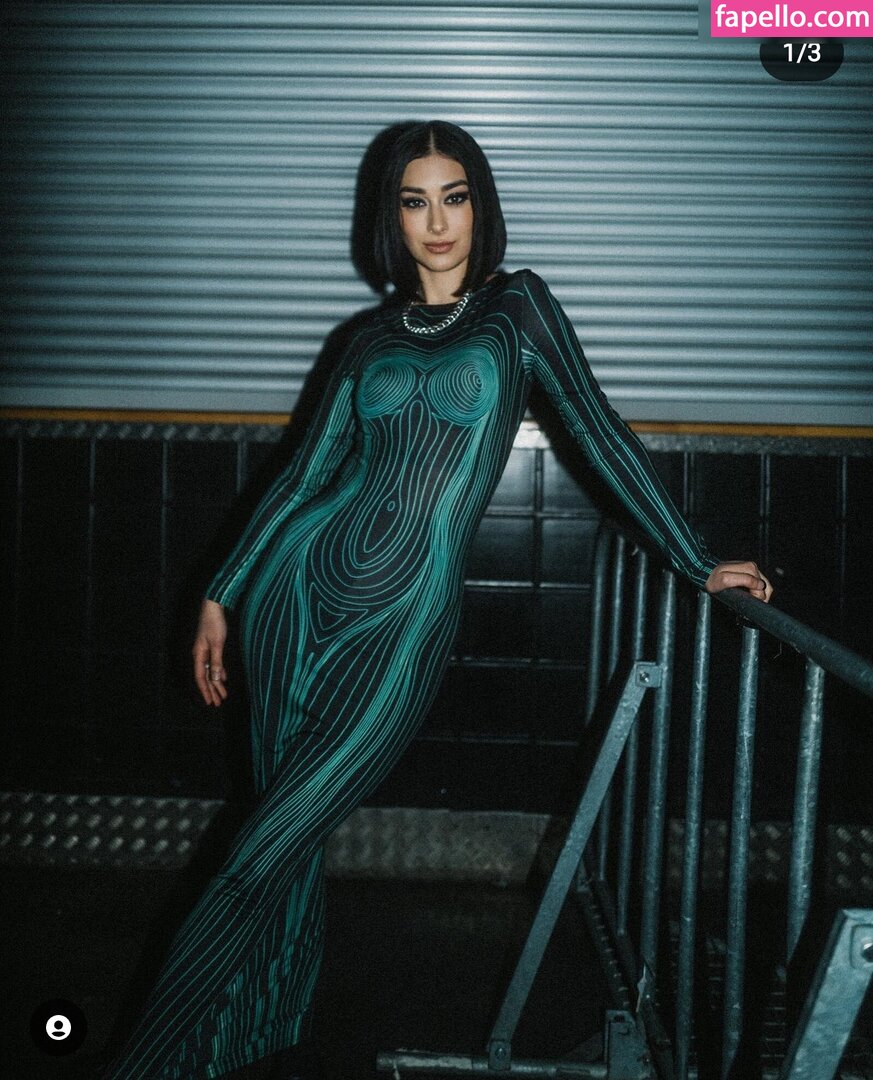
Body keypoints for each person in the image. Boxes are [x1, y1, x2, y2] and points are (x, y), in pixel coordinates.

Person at [102, 121, 773, 1080]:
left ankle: (140, 1064)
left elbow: (598, 430)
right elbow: (302, 477)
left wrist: (692, 557)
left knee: (259, 851)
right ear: (390, 218)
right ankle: (250, 1033)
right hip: (290, 602)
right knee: (281, 841)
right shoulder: (363, 340)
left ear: (479, 204)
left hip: (404, 620)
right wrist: (221, 591)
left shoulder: (518, 309)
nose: (436, 221)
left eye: (453, 196)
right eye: (413, 201)